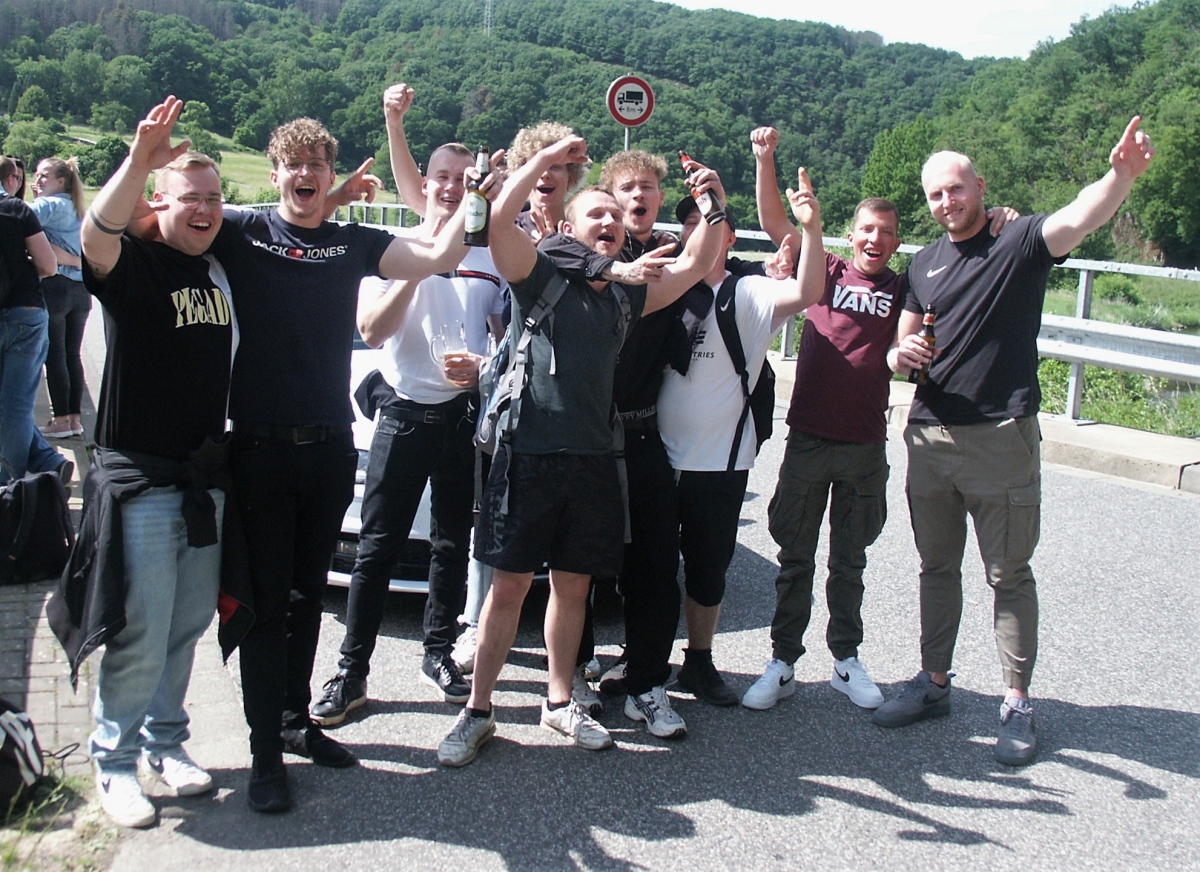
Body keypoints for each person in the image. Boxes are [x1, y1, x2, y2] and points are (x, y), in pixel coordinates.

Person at [205, 109, 492, 814]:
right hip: (261, 445)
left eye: (318, 166)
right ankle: (264, 754)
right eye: (294, 166)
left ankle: (297, 722)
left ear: (330, 175)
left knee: (307, 599)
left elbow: (428, 256)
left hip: (330, 444)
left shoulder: (353, 242)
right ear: (276, 175)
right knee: (268, 607)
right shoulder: (245, 231)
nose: (306, 176)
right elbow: (173, 221)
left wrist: (482, 202)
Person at [876, 116, 1155, 766]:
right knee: (936, 567)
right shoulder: (924, 262)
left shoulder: (1020, 240)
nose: (947, 202)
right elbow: (901, 349)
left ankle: (1016, 702)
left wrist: (1121, 175)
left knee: (1008, 574)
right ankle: (934, 682)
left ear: (979, 186)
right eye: (935, 195)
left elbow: (1081, 216)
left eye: (955, 189)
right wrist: (901, 353)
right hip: (931, 433)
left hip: (1002, 431)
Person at [436, 135, 720, 767]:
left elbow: (696, 264)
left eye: (618, 219)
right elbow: (503, 221)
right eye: (600, 213)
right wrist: (542, 163)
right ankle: (477, 711)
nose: (613, 223)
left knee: (573, 588)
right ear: (566, 227)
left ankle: (560, 701)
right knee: (507, 588)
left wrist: (714, 203)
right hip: (528, 454)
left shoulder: (626, 296)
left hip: (593, 460)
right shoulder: (537, 278)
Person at [54, 97, 233, 828]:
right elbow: (96, 234)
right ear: (160, 202)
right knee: (139, 628)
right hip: (142, 481)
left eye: (216, 198)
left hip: (202, 480)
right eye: (191, 198)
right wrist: (138, 157)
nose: (206, 209)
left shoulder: (218, 272)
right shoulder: (134, 265)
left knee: (186, 626)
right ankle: (115, 762)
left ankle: (167, 743)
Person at [309, 136, 506, 726]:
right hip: (402, 415)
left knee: (451, 543)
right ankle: (351, 671)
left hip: (461, 416)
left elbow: (505, 337)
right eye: (440, 177)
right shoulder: (390, 247)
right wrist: (419, 270)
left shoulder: (491, 254)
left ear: (474, 185)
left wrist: (485, 367)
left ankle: (439, 651)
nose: (450, 187)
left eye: (461, 178)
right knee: (377, 549)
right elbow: (370, 330)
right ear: (424, 184)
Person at [655, 196, 810, 713]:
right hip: (655, 454)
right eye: (690, 225)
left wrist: (810, 228)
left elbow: (809, 291)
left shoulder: (750, 291)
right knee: (647, 568)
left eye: (710, 224)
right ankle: (646, 662)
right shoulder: (666, 285)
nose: (698, 232)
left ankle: (699, 659)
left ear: (729, 239)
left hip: (720, 459)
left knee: (707, 568)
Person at [0, 154, 67, 485]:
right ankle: (11, 490)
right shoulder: (17, 210)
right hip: (26, 313)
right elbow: (49, 265)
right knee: (15, 404)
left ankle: (42, 461)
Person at [29, 157, 90, 440]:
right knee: (72, 356)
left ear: (61, 181)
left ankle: (62, 419)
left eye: (44, 176)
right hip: (80, 291)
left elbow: (18, 216)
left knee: (55, 357)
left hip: (56, 289)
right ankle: (74, 418)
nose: (38, 180)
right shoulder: (76, 208)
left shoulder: (51, 205)